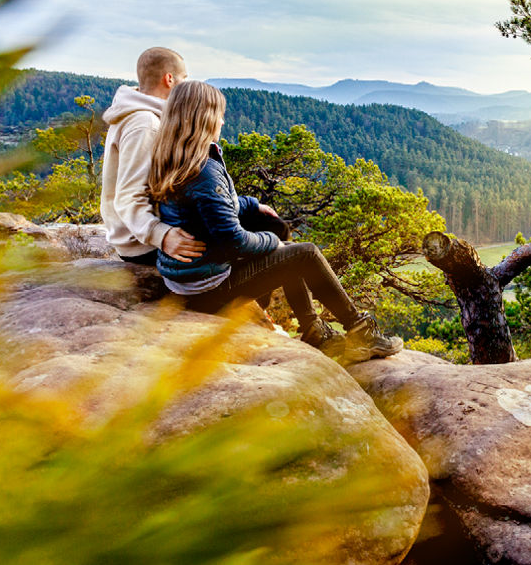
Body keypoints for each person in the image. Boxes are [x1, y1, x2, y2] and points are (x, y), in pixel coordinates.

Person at [146, 79, 402, 364]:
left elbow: (211, 208)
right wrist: (274, 243)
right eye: (219, 113)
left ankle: (315, 331)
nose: (223, 120)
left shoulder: (174, 156)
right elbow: (233, 241)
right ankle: (360, 331)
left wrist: (253, 205)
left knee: (281, 238)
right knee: (305, 253)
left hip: (188, 278)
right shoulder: (204, 170)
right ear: (204, 118)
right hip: (209, 289)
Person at [101, 47, 205, 265]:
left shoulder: (136, 114)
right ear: (169, 79)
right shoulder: (145, 124)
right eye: (184, 77)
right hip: (143, 245)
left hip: (137, 236)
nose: (186, 83)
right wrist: (162, 236)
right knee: (248, 243)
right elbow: (129, 195)